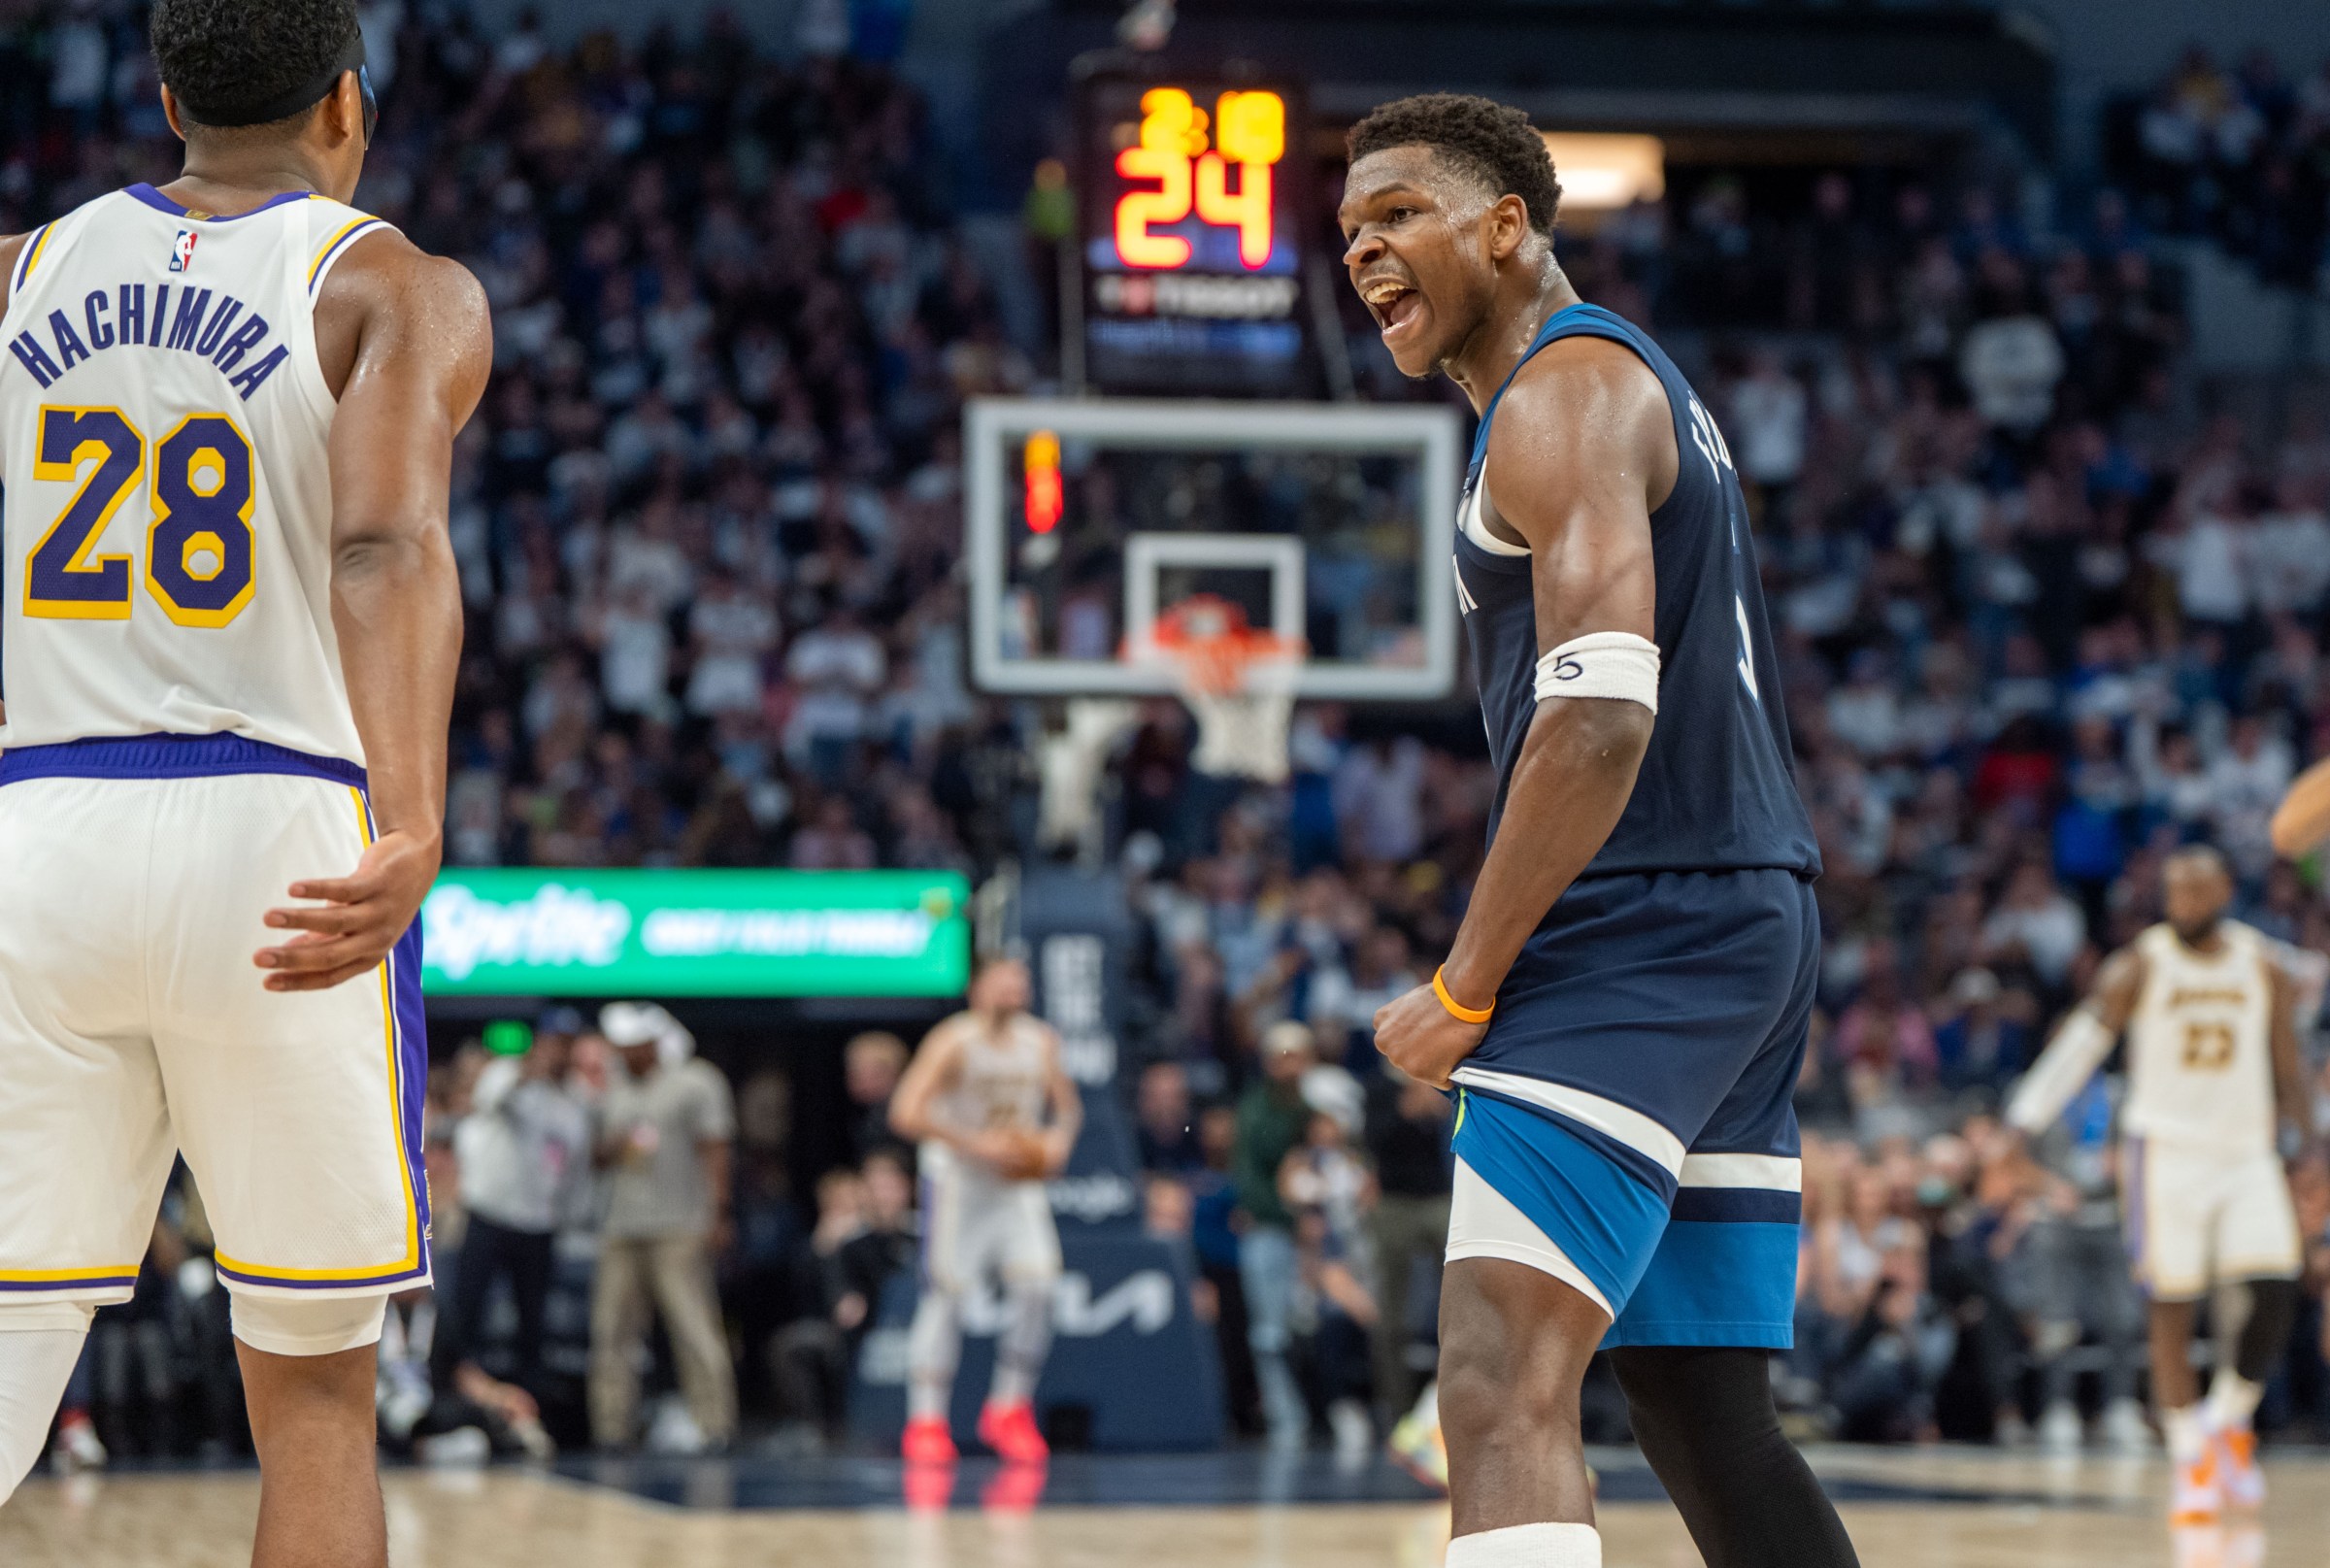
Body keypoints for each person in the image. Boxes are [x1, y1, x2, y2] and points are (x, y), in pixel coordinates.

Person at [0, 4, 489, 1562]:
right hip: (283, 844)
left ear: (164, 100)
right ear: (348, 102)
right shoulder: (391, 284)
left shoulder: (20, 271)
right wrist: (409, 822)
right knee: (317, 1397)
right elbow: (385, 542)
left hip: (42, 830)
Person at [1345, 95, 1854, 1568]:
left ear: (1506, 226)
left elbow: (1599, 720)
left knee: (1499, 1372)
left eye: (1399, 213)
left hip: (1641, 920)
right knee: (1698, 1403)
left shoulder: (1562, 394)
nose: (1367, 249)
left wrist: (1465, 983)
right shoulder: (1626, 387)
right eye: (1352, 230)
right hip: (1739, 910)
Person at [2007, 847, 2314, 1521]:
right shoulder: (2139, 963)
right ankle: (2189, 1458)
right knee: (2171, 1303)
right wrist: (2023, 1116)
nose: (2185, 903)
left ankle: (2230, 1418)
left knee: (2275, 1284)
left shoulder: (2263, 962)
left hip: (2246, 1150)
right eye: (2175, 891)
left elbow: (2287, 1063)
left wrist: (2311, 1144)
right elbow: (2084, 1042)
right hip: (2166, 1151)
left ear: (2225, 889)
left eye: (2198, 891)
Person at [887, 954, 1081, 1465]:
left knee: (1039, 1284)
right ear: (978, 987)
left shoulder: (1040, 1040)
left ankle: (1009, 1406)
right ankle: (926, 1419)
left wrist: (1057, 1142)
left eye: (1021, 979)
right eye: (1004, 980)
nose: (1014, 988)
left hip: (1015, 1183)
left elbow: (1068, 1107)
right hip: (960, 1180)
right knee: (947, 1294)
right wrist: (976, 1144)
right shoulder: (954, 1040)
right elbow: (906, 1112)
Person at [586, 1002, 739, 1453]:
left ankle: (714, 1425)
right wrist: (613, 1145)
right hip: (621, 1225)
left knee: (693, 1326)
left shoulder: (695, 1082)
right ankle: (612, 1428)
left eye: (632, 1047)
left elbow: (715, 1149)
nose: (624, 1054)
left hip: (680, 1225)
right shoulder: (611, 1088)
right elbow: (596, 1157)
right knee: (611, 1331)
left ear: (653, 1044)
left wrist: (719, 1213)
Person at [437, 1011, 588, 1401]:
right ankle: (451, 1393)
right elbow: (489, 1097)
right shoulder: (507, 1075)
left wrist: (563, 1215)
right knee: (467, 1311)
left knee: (533, 1321)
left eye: (567, 1044)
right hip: (489, 1214)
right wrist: (529, 1068)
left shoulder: (573, 1103)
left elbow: (572, 1168)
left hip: (538, 1223)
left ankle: (528, 1404)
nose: (559, 1051)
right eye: (554, 1042)